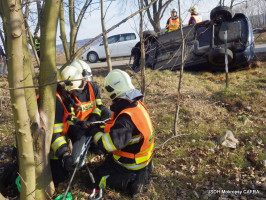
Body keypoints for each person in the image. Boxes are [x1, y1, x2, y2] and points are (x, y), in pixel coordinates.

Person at [86, 69, 154, 197]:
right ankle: (144, 171)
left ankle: (132, 181)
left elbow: (107, 145)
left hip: (130, 162)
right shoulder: (135, 105)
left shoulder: (125, 120)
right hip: (143, 157)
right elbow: (117, 130)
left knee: (93, 179)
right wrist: (101, 127)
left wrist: (93, 131)